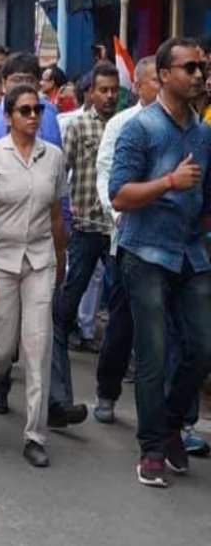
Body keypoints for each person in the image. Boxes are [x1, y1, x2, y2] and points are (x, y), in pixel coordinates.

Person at [109, 37, 211, 488]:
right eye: (189, 67)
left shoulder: (204, 134)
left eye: (202, 68)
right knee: (153, 353)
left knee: (203, 347)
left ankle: (172, 423)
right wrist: (169, 181)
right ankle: (151, 448)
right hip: (145, 251)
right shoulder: (140, 129)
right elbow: (119, 194)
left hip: (191, 251)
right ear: (165, 75)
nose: (198, 75)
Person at [0, 85, 68, 468]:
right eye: (24, 110)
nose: (32, 116)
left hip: (40, 260)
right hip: (0, 261)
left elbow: (57, 216)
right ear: (8, 116)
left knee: (38, 347)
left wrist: (61, 260)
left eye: (36, 110)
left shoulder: (53, 158)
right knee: (1, 348)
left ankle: (34, 435)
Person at [50, 62, 119, 426]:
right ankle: (58, 394)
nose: (109, 96)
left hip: (118, 232)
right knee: (63, 309)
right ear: (90, 92)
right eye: (103, 90)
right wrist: (64, 217)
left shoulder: (125, 126)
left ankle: (107, 392)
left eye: (114, 90)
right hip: (84, 230)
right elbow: (61, 175)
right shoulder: (77, 126)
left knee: (122, 309)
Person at [93, 57, 158, 426]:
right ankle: (107, 391)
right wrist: (117, 214)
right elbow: (107, 175)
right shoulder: (123, 124)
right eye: (152, 81)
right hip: (129, 239)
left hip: (173, 244)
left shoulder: (190, 126)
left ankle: (172, 417)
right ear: (139, 85)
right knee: (123, 320)